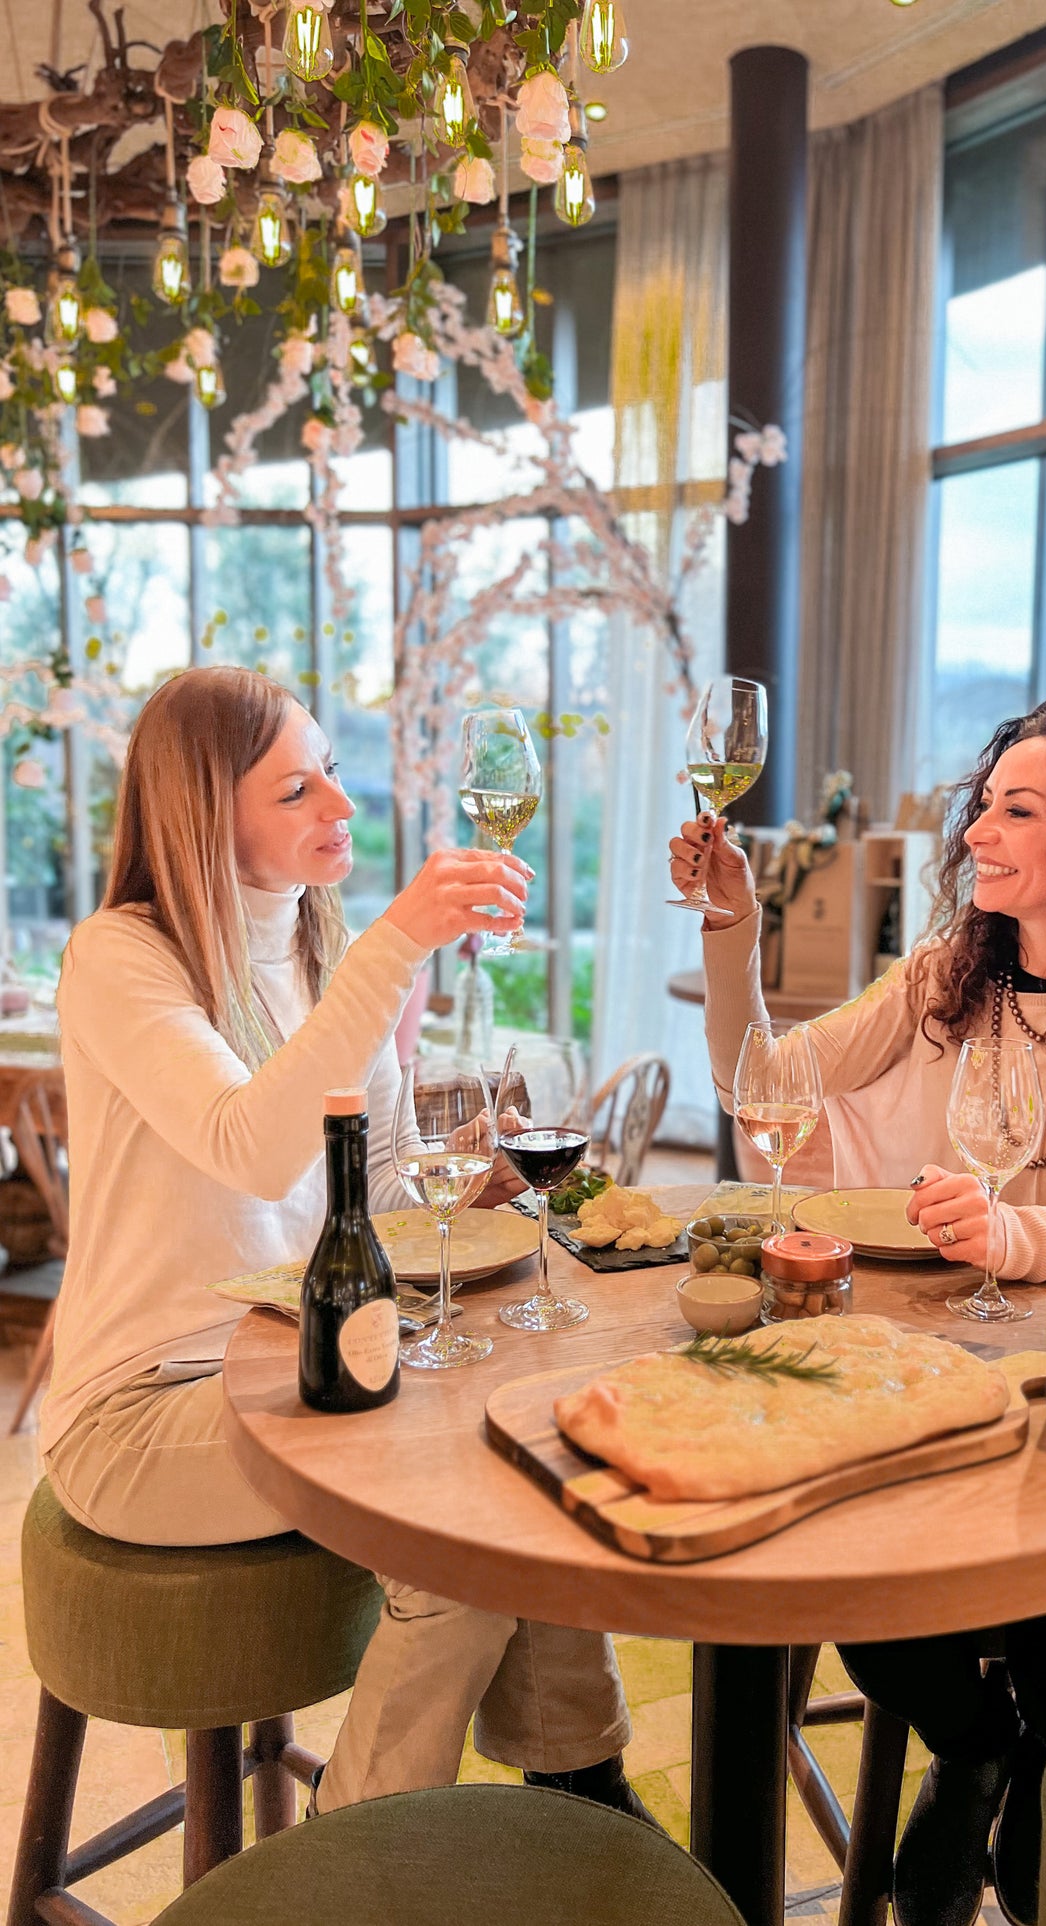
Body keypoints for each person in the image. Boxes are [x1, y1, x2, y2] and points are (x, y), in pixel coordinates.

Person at [670, 698, 1046, 1926]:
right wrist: (732, 926)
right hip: (936, 1373)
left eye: (1015, 810)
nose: (977, 830)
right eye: (982, 805)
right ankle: (973, 1741)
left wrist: (1018, 1237)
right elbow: (762, 1085)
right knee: (857, 1560)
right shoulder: (952, 969)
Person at [43, 667, 642, 1820]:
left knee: (527, 1436)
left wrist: (481, 1171)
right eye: (296, 790)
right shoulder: (121, 957)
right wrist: (394, 948)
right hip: (146, 1404)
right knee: (461, 1533)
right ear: (201, 813)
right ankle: (356, 1852)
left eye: (330, 772)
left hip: (305, 1359)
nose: (342, 806)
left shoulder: (322, 951)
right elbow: (252, 1150)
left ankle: (579, 1786)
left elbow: (380, 1191)